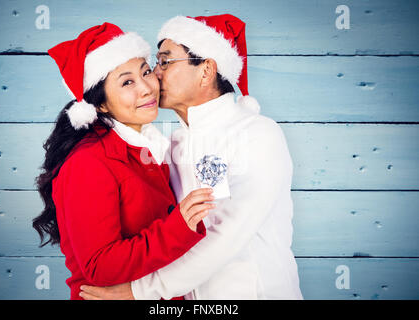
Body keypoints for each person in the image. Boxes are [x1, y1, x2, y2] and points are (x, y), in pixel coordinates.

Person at [80, 14, 303, 300]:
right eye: (155, 64)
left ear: (206, 70)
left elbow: (227, 234)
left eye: (165, 62)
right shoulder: (169, 146)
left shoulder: (257, 134)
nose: (154, 76)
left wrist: (140, 291)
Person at [32, 22, 216, 300]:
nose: (146, 89)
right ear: (101, 104)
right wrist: (178, 226)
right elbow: (99, 266)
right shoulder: (89, 162)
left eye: (145, 72)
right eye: (127, 82)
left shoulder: (147, 150)